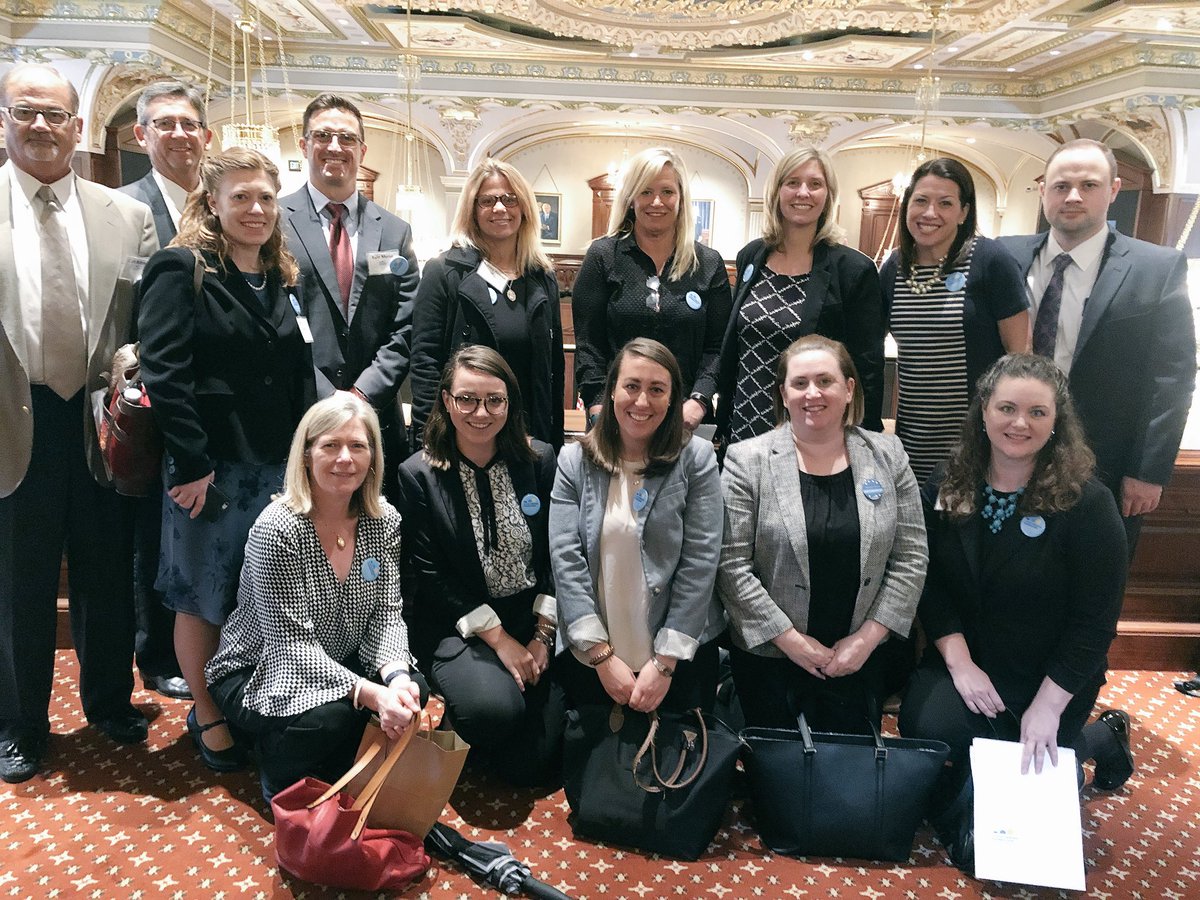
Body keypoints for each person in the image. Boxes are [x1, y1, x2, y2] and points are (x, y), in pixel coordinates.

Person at [898, 353, 1135, 868]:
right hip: (969, 662)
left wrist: (1049, 706)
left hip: (1050, 674)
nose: (1018, 423)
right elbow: (930, 583)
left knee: (1033, 747)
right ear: (984, 411)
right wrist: (959, 663)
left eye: (1036, 413)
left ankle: (1099, 736)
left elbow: (1094, 624)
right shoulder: (948, 485)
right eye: (1006, 407)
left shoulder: (1089, 506)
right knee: (936, 731)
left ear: (1057, 422)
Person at [0, 63, 158, 784]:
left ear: (77, 127)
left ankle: (107, 702)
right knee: (18, 580)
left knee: (104, 569)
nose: (40, 126)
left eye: (54, 115)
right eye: (25, 111)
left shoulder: (125, 214)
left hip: (99, 424)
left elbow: (146, 323)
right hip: (11, 418)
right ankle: (21, 723)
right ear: (5, 118)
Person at [138, 147, 316, 772]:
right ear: (211, 203)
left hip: (276, 470)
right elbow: (164, 371)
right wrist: (190, 464)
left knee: (266, 597)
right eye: (240, 196)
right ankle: (208, 711)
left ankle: (255, 702)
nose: (256, 209)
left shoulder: (282, 278)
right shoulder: (181, 268)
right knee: (203, 596)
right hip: (209, 470)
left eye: (266, 197)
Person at [207, 395, 426, 804]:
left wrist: (395, 680)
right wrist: (372, 694)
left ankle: (334, 763)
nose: (345, 458)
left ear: (373, 457)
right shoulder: (277, 529)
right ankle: (275, 765)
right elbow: (290, 648)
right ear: (306, 455)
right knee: (333, 716)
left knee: (415, 690)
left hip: (340, 658)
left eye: (358, 446)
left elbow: (387, 615)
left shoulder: (384, 521)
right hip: (259, 668)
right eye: (330, 445)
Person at [717, 335, 926, 732]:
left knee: (849, 782)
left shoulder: (889, 455)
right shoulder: (747, 461)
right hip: (771, 658)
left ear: (849, 389)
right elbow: (731, 565)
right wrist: (792, 642)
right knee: (775, 781)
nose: (812, 393)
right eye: (799, 383)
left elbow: (911, 558)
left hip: (860, 658)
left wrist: (866, 639)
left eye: (825, 381)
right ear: (783, 393)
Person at [997, 139, 1196, 554]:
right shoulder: (1003, 257)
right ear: (1043, 191)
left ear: (1113, 190)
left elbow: (1172, 378)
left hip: (1106, 460)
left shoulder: (1155, 268)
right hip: (1005, 454)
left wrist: (1149, 471)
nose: (1072, 196)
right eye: (1060, 185)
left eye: (1088, 185)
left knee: (1094, 581)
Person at [397, 346, 564, 785]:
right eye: (467, 399)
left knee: (536, 765)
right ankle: (467, 710)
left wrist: (542, 637)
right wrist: (502, 641)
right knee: (494, 713)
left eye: (495, 400)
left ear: (510, 403)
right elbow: (430, 574)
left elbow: (556, 553)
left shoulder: (540, 460)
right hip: (460, 624)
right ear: (446, 401)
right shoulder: (419, 474)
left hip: (531, 619)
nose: (481, 413)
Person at [550, 338, 725, 713]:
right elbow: (566, 560)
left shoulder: (696, 459)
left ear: (674, 398)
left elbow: (701, 561)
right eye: (631, 386)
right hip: (594, 656)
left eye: (657, 390)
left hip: (679, 656)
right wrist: (600, 655)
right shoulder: (573, 461)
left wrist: (665, 663)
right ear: (611, 391)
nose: (642, 402)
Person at [120, 79, 213, 702]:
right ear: (141, 134)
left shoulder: (221, 204)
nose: (179, 134)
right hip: (154, 401)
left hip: (214, 403)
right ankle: (154, 655)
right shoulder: (121, 206)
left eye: (189, 124)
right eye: (165, 123)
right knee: (150, 533)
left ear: (206, 136)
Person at [282, 94, 420, 502]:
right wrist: (329, 398)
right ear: (304, 145)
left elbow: (407, 325)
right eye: (323, 135)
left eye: (346, 137)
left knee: (376, 531)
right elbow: (276, 317)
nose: (335, 146)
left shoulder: (395, 231)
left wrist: (361, 394)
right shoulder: (274, 223)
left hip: (377, 417)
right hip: (303, 411)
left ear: (361, 149)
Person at [717, 147, 885, 444]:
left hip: (812, 433)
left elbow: (867, 369)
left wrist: (865, 439)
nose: (803, 193)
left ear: (828, 195)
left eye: (815, 184)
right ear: (777, 191)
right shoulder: (752, 256)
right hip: (744, 425)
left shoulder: (853, 270)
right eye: (792, 183)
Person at [881, 157, 1030, 483]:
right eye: (920, 201)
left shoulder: (991, 260)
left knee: (962, 528)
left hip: (975, 438)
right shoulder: (894, 267)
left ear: (963, 212)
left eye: (945, 203)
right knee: (918, 528)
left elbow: (1020, 358)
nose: (930, 213)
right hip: (913, 436)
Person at [572, 148, 732, 431]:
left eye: (667, 192)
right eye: (645, 192)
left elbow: (718, 348)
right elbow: (588, 346)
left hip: (686, 419)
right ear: (631, 199)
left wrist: (700, 400)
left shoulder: (708, 263)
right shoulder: (603, 256)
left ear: (681, 199)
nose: (656, 202)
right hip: (616, 417)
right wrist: (597, 408)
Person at [410, 158, 563, 448]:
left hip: (528, 439)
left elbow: (554, 369)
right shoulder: (445, 271)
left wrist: (552, 442)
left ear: (526, 207)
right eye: (488, 200)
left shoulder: (542, 277)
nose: (500, 208)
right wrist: (428, 440)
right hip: (464, 436)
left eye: (510, 199)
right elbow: (425, 363)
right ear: (472, 209)